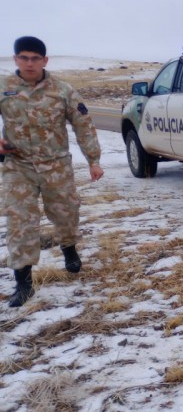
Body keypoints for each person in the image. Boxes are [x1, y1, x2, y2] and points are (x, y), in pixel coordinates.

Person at [0, 36, 104, 307]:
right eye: (24, 57)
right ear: (16, 59)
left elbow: (83, 124)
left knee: (66, 213)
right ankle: (23, 284)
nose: (30, 63)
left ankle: (69, 247)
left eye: (35, 58)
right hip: (17, 166)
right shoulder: (4, 87)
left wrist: (93, 160)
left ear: (45, 60)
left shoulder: (62, 90)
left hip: (56, 165)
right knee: (20, 221)